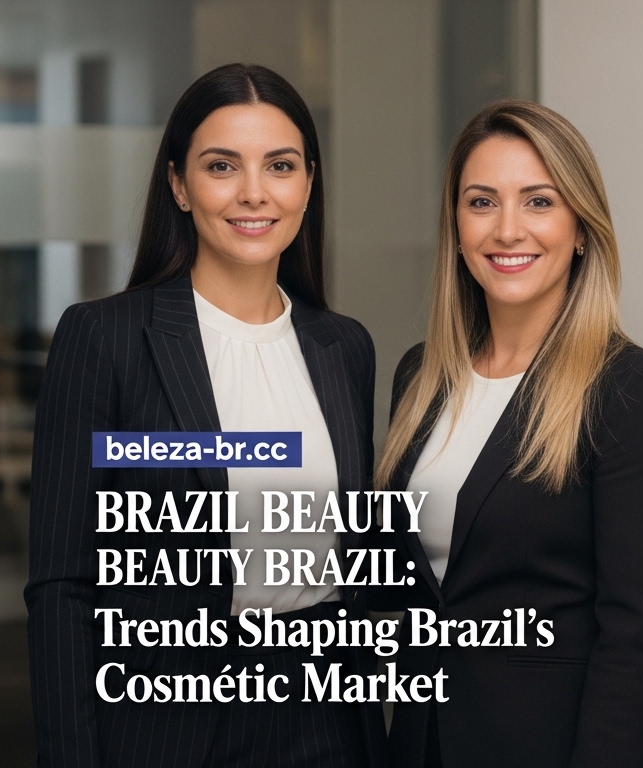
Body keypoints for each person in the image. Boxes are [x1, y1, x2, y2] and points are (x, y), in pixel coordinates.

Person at [25, 64, 385, 767]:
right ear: (180, 185)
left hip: (327, 715)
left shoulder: (343, 346)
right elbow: (63, 587)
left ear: (308, 183)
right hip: (170, 726)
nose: (254, 191)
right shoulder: (105, 338)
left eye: (279, 166)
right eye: (222, 166)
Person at [373, 99, 643, 768]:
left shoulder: (631, 389)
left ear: (581, 229)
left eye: (539, 202)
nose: (507, 229)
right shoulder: (421, 377)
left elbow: (635, 630)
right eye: (482, 202)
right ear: (457, 226)